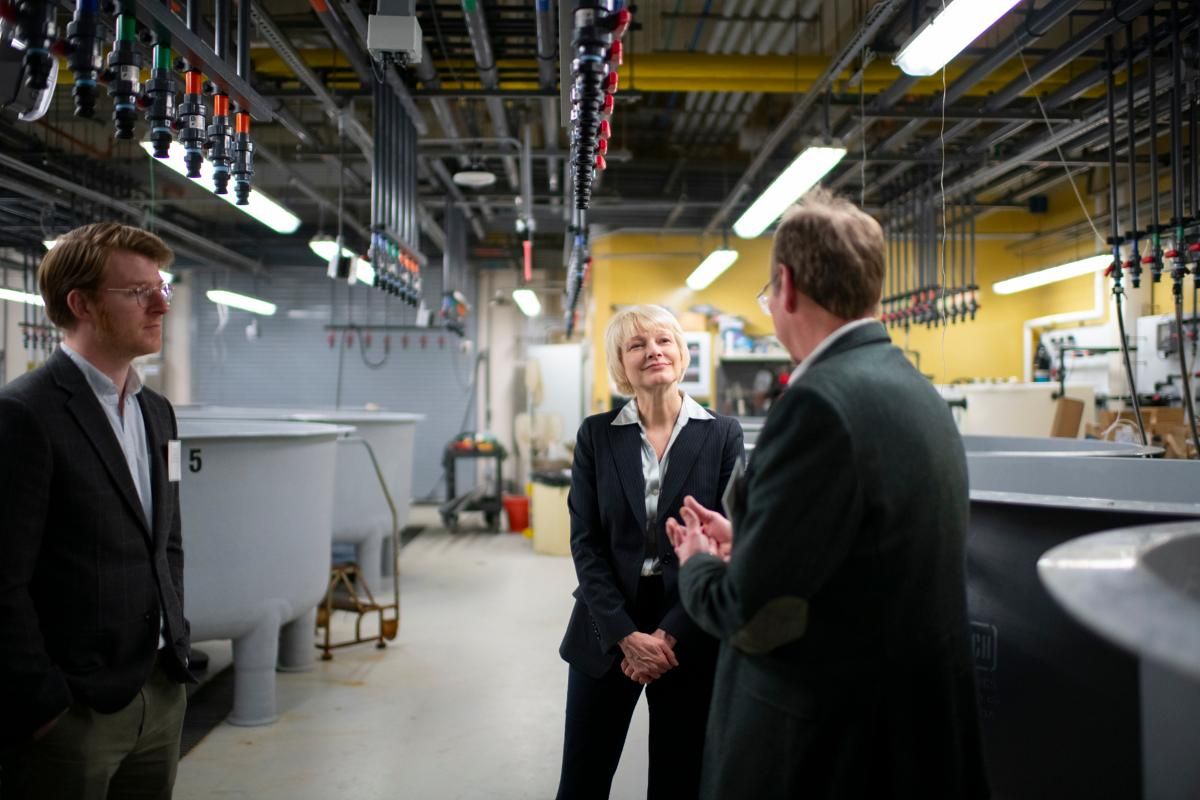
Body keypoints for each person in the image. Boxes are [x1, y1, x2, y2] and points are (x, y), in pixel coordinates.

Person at [667, 190, 989, 799]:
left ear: (785, 287)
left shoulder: (816, 406)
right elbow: (864, 556)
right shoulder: (917, 391)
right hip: (911, 738)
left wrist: (698, 564)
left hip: (829, 751)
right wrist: (756, 541)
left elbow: (752, 615)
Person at [0, 222, 193, 799]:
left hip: (160, 691)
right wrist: (45, 706)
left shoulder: (157, 413)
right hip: (75, 713)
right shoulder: (24, 415)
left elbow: (169, 540)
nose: (160, 303)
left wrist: (174, 644)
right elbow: (2, 582)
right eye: (137, 292)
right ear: (80, 303)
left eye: (161, 287)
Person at [556, 305, 744, 800]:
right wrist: (626, 635)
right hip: (607, 619)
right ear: (622, 364)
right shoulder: (596, 435)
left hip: (689, 621)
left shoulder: (722, 434)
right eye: (636, 345)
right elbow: (586, 543)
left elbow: (728, 541)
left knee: (680, 780)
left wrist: (668, 633)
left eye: (663, 341)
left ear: (681, 353)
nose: (653, 351)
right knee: (582, 778)